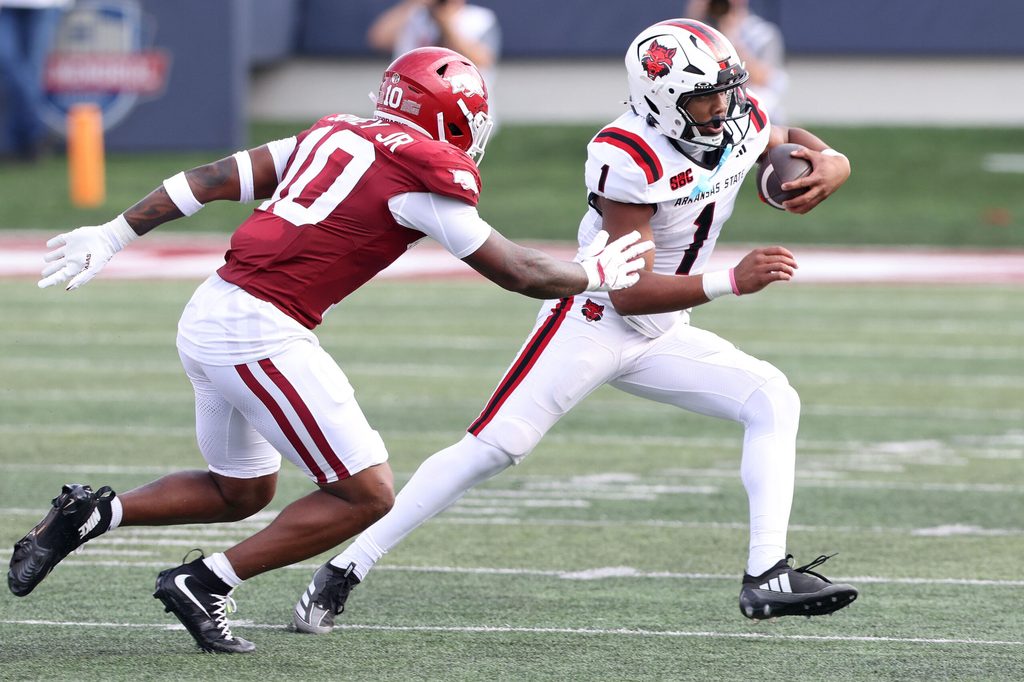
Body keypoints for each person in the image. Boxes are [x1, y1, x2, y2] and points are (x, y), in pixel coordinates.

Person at [6, 46, 652, 654]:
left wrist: (115, 232)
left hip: (213, 309)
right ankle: (203, 582)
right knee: (367, 494)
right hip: (257, 330)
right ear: (448, 118)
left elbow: (209, 178)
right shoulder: (420, 177)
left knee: (242, 492)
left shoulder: (336, 134)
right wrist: (598, 273)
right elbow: (517, 271)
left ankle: (90, 514)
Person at [291, 18, 858, 635]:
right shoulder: (628, 154)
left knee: (772, 398)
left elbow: (780, 133)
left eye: (727, 92)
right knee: (493, 449)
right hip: (595, 317)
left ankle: (766, 574)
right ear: (661, 101)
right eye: (705, 98)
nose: (722, 108)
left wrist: (833, 160)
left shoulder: (735, 116)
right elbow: (631, 290)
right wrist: (732, 280)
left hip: (664, 326)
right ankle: (346, 566)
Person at [687, 0, 787, 123]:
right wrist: (693, 18)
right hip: (713, 97)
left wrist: (730, 34)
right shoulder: (703, 28)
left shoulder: (762, 33)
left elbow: (762, 78)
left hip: (751, 99)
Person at [367, 0, 500, 90]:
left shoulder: (479, 19)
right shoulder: (414, 16)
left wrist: (445, 22)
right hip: (409, 98)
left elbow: (483, 60)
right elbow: (378, 39)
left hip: (461, 105)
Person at [0, 0, 71, 160]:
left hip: (44, 4)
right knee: (7, 61)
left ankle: (19, 143)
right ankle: (35, 132)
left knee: (31, 70)